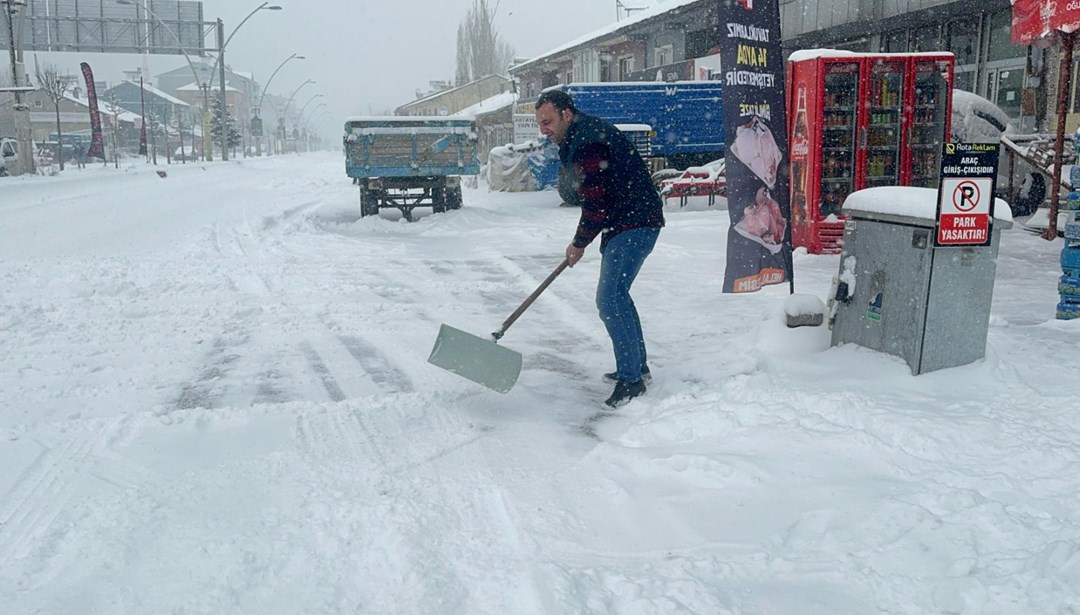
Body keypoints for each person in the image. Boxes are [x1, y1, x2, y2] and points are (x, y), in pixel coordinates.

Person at [534, 90, 664, 408]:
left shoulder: (587, 141)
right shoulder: (581, 134)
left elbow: (596, 201)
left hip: (634, 222)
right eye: (540, 124)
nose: (543, 130)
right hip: (630, 220)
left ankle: (632, 381)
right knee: (618, 295)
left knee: (610, 298)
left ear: (566, 114)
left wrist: (579, 243)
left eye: (548, 122)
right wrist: (584, 239)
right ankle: (637, 367)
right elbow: (597, 199)